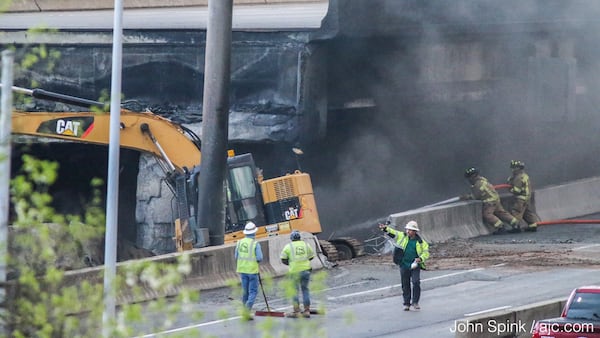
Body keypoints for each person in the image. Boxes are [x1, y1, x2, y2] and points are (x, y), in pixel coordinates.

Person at [378, 220, 430, 311]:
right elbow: (393, 233)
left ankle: (415, 302)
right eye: (407, 230)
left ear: (415, 231)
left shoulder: (421, 242)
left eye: (410, 230)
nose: (408, 231)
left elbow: (426, 253)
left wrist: (420, 259)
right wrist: (385, 229)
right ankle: (406, 303)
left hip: (415, 265)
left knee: (416, 282)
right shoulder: (402, 236)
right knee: (405, 284)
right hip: (404, 265)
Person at [460, 167, 521, 234]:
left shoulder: (478, 184)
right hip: (495, 199)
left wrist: (467, 197)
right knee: (502, 213)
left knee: (487, 215)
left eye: (469, 177)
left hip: (489, 202)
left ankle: (500, 227)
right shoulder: (483, 180)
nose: (469, 180)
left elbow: (476, 196)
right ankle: (516, 224)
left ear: (473, 176)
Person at [280, 230, 315, 318]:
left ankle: (297, 311)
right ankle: (307, 311)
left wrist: (291, 264)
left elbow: (283, 259)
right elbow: (311, 256)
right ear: (300, 237)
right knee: (305, 289)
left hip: (294, 271)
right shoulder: (306, 245)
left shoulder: (288, 247)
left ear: (291, 238)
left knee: (294, 291)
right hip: (306, 270)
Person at [235, 221, 263, 320]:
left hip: (242, 270)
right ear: (254, 233)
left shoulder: (239, 242)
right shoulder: (255, 244)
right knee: (253, 292)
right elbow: (259, 258)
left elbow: (236, 256)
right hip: (252, 271)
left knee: (245, 292)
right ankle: (247, 311)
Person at [506, 160, 541, 232]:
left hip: (520, 198)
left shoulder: (518, 178)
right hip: (527, 198)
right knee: (527, 213)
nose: (512, 170)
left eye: (513, 168)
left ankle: (516, 227)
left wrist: (510, 188)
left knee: (516, 212)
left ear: (517, 168)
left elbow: (517, 190)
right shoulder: (524, 176)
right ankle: (533, 226)